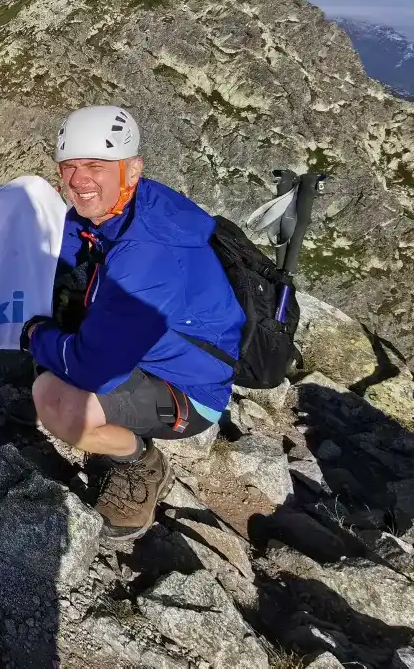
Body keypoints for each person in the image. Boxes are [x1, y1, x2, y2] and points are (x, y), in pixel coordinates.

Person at [19, 106, 244, 542]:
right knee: (54, 345)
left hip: (187, 387)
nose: (79, 180)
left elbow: (92, 369)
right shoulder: (115, 208)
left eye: (95, 166)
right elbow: (67, 259)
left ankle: (140, 464)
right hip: (149, 349)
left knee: (56, 402)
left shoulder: (148, 254)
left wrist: (33, 336)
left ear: (132, 169)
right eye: (69, 166)